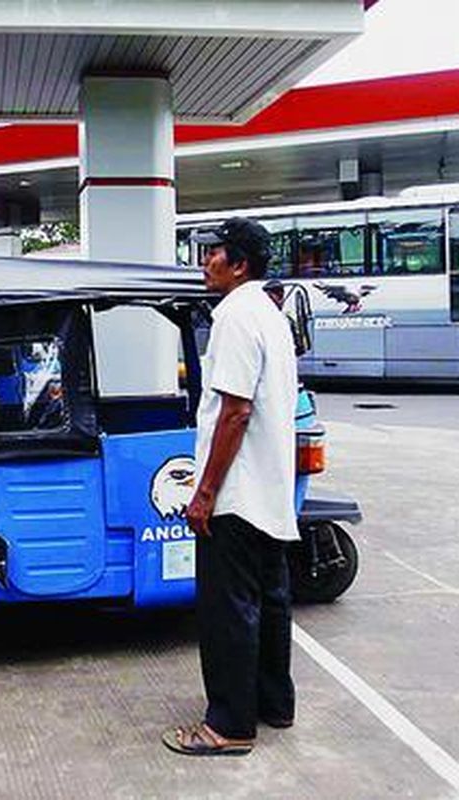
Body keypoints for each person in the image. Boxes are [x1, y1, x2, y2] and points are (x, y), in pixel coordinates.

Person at [163, 217, 299, 757]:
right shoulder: (270, 313)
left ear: (238, 263)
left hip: (236, 498)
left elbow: (235, 412)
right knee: (270, 602)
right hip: (269, 493)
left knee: (228, 611)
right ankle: (273, 704)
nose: (204, 263)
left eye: (212, 254)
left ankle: (229, 725)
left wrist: (204, 493)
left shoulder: (235, 317)